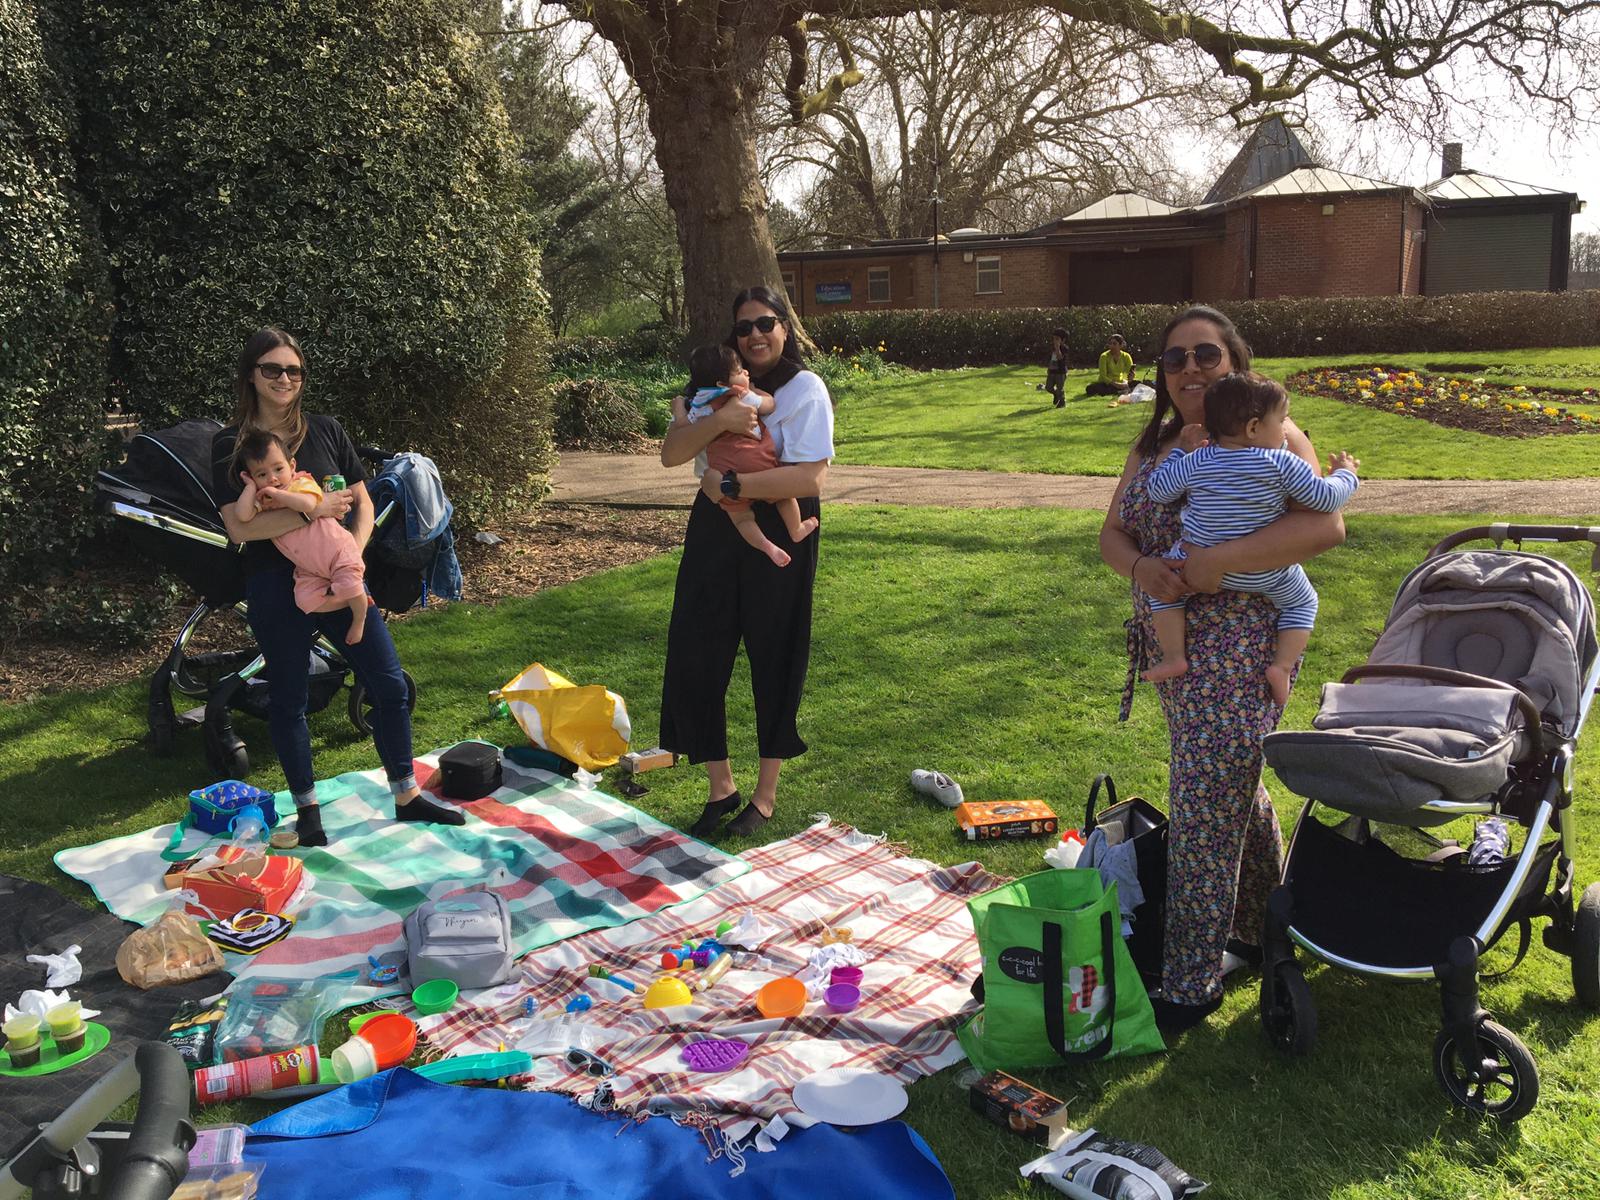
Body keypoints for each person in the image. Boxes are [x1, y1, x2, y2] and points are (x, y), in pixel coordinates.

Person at [1098, 305, 1345, 1034]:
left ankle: (1188, 983)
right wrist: (1144, 565)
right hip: (1175, 648)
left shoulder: (1271, 432)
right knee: (1230, 785)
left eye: (1206, 354)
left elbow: (1326, 524)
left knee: (1205, 800)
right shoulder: (1156, 449)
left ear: (1234, 362)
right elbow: (1110, 533)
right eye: (1174, 359)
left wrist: (1215, 563)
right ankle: (1274, 924)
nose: (1190, 370)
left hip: (1245, 648)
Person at [213, 327, 462, 848]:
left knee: (389, 685)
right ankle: (307, 812)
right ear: (251, 376)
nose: (285, 379)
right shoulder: (231, 446)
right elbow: (239, 529)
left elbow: (363, 500)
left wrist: (354, 550)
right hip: (274, 584)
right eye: (272, 369)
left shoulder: (326, 431)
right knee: (289, 698)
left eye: (293, 370)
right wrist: (313, 508)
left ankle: (406, 795)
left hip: (341, 572)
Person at [659, 287, 834, 840]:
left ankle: (764, 796)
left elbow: (809, 478)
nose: (756, 334)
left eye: (766, 323)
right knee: (696, 649)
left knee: (773, 654)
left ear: (785, 326)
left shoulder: (803, 389)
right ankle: (720, 788)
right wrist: (721, 419)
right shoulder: (711, 388)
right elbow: (671, 454)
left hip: (779, 524)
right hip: (715, 524)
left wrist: (732, 482)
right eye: (744, 328)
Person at [1142, 372, 1360, 705]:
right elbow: (1325, 500)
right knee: (1303, 602)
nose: (1287, 431)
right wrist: (1346, 474)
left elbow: (1158, 490)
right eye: (1283, 421)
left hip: (1191, 560)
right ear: (1254, 428)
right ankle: (1281, 667)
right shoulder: (1281, 462)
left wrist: (1180, 454)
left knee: (1162, 593)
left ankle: (1174, 656)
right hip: (1266, 571)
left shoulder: (1199, 459)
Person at [684, 343, 819, 568]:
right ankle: (795, 530)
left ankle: (767, 546)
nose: (745, 372)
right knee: (784, 497)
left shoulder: (699, 404)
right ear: (722, 384)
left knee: (741, 517)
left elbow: (688, 425)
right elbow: (769, 405)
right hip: (757, 462)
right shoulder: (740, 396)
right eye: (739, 372)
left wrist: (679, 410)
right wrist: (757, 392)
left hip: (723, 469)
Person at [230, 430, 371, 646]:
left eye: (278, 469)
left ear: (292, 466)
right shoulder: (263, 498)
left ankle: (359, 618)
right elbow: (242, 516)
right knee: (305, 601)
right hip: (308, 567)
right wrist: (250, 489)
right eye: (261, 475)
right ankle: (350, 600)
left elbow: (308, 506)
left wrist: (279, 495)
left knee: (350, 583)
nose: (273, 478)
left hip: (337, 550)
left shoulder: (300, 482)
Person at [1036, 328, 1069, 407]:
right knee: (1048, 387)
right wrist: (1049, 368)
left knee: (1059, 388)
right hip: (1052, 371)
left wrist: (1058, 348)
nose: (1055, 341)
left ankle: (1062, 401)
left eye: (1057, 339)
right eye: (1054, 339)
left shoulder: (1064, 348)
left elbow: (1060, 358)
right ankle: (1056, 395)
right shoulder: (1052, 348)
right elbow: (1050, 359)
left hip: (1060, 372)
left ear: (1063, 340)